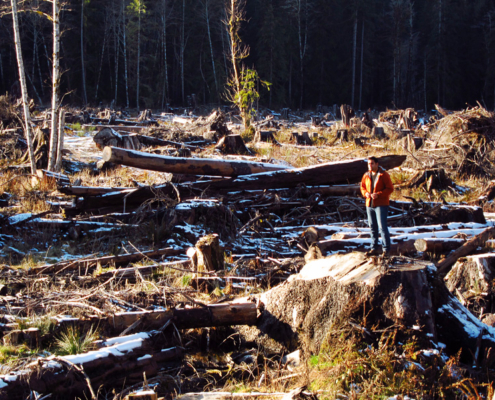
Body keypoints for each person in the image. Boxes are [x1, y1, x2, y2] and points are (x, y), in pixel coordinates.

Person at [360, 156, 394, 258]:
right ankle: (374, 248)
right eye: (368, 164)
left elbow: (390, 188)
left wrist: (378, 194)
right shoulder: (366, 175)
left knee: (382, 227)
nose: (370, 166)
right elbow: (362, 187)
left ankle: (386, 249)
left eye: (372, 164)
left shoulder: (384, 175)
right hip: (369, 204)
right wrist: (365, 193)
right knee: (372, 227)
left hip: (381, 204)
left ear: (377, 164)